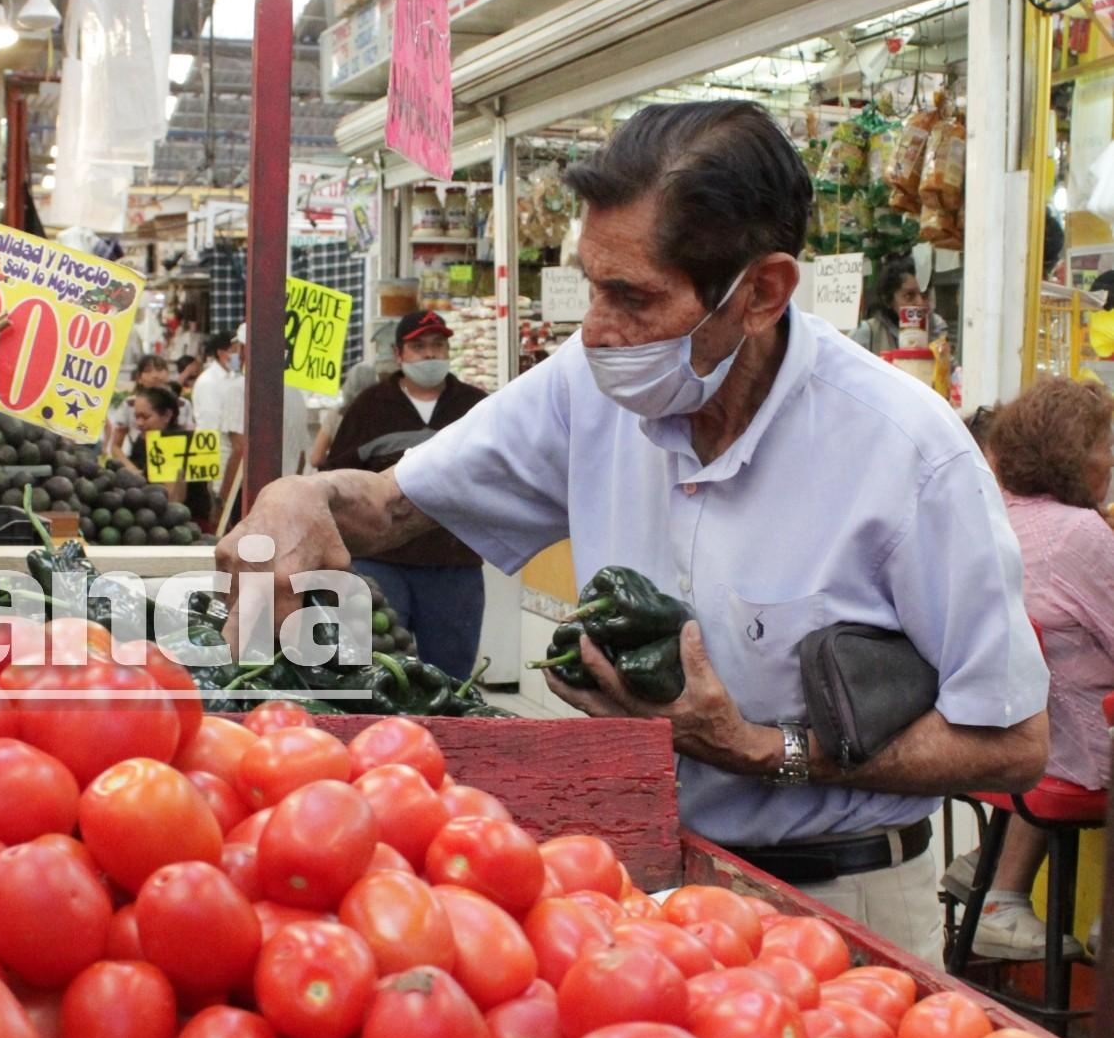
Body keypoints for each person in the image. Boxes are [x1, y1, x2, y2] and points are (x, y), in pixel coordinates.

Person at [215, 101, 1048, 963]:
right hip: (640, 888)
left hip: (840, 904)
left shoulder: (906, 452)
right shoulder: (590, 386)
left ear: (761, 292)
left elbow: (1014, 740)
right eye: (591, 284)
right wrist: (298, 496)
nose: (596, 330)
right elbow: (394, 504)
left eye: (633, 297)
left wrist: (760, 748)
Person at [936, 378, 1112, 959]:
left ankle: (995, 882)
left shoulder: (999, 513)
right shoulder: (1079, 532)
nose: (1112, 456)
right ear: (1072, 452)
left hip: (994, 731)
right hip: (1074, 750)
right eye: (1105, 442)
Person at [321, 311, 487, 677]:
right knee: (373, 668)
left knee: (450, 673)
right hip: (379, 561)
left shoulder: (477, 406)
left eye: (438, 345)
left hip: (454, 566)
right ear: (398, 355)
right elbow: (337, 479)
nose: (430, 355)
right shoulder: (369, 408)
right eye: (418, 346)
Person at [311, 322, 399, 470]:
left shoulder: (336, 415)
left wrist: (336, 460)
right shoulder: (389, 413)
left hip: (340, 483)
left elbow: (316, 459)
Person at [128, 385, 212, 525]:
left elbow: (173, 499)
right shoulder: (143, 441)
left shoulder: (174, 443)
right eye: (136, 417)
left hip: (187, 525)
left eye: (145, 417)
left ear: (167, 415)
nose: (139, 423)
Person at [191, 328, 246, 525]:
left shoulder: (235, 379)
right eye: (234, 349)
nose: (238, 354)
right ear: (222, 353)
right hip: (219, 461)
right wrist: (210, 477)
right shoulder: (208, 383)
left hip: (233, 460)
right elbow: (208, 431)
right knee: (222, 520)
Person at [850, 257, 947, 354]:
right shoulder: (867, 332)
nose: (920, 303)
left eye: (925, 294)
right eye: (909, 296)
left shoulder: (937, 328)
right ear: (888, 300)